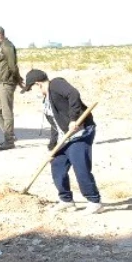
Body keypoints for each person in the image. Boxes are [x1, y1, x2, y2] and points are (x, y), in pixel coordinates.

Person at [21, 69, 102, 214]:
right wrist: (51, 148)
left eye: (31, 88)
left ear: (38, 84)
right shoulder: (46, 100)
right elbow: (55, 126)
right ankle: (66, 200)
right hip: (64, 137)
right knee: (57, 165)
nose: (32, 92)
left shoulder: (56, 84)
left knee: (80, 167)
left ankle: (94, 201)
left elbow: (73, 94)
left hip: (80, 133)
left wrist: (73, 119)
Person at [0, 25, 21, 150]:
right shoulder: (1, 46)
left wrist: (18, 80)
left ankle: (9, 141)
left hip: (6, 83)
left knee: (6, 112)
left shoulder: (7, 46)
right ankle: (9, 136)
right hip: (0, 83)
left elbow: (13, 66)